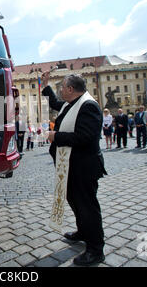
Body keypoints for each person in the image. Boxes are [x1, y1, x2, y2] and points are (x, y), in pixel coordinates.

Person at [41, 71, 106, 266]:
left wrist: (56, 137)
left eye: (62, 87)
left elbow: (85, 138)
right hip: (70, 166)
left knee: (87, 207)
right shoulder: (71, 105)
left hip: (83, 167)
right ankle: (83, 231)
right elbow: (53, 103)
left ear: (70, 89)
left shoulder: (89, 107)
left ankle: (96, 249)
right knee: (76, 202)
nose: (60, 91)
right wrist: (46, 85)